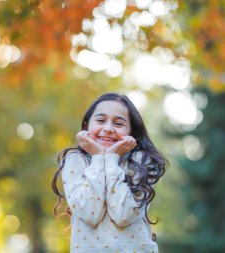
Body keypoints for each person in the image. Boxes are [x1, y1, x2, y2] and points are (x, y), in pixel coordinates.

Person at [52, 93, 168, 252]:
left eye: (119, 123)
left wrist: (112, 159)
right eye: (100, 120)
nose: (108, 128)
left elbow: (124, 215)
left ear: (131, 132)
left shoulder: (142, 162)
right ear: (86, 125)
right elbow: (88, 214)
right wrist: (99, 158)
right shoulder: (74, 161)